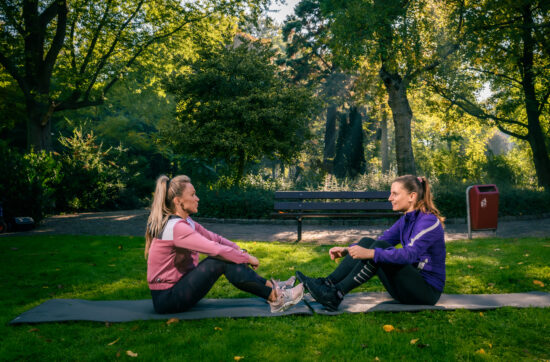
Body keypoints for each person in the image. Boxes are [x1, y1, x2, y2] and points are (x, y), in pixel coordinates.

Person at [145, 175, 304, 314]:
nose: (197, 198)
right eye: (193, 195)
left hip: (178, 290)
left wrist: (238, 250)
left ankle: (275, 290)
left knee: (227, 257)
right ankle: (277, 298)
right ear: (178, 201)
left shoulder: (185, 222)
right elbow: (214, 249)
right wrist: (246, 257)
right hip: (167, 299)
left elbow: (215, 239)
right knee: (219, 259)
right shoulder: (176, 227)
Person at [296, 175, 446, 311]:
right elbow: (377, 242)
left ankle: (336, 294)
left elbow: (409, 255)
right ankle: (327, 284)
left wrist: (371, 253)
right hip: (406, 287)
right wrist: (347, 250)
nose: (389, 198)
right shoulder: (405, 220)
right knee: (368, 242)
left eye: (395, 194)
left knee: (377, 250)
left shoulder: (428, 221)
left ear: (412, 196)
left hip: (426, 292)